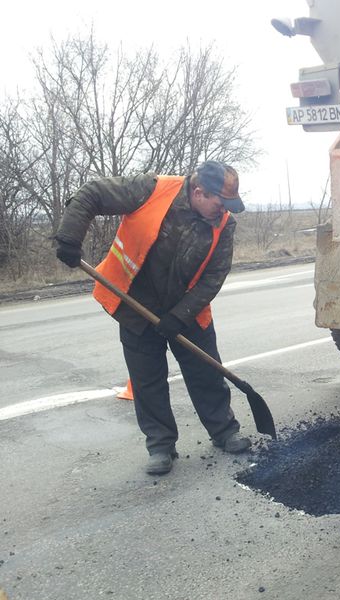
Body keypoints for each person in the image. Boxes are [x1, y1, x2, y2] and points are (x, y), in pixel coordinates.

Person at [55, 161, 252, 475]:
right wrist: (69, 237)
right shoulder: (152, 190)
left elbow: (214, 276)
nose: (224, 210)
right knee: (147, 380)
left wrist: (180, 315)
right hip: (135, 303)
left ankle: (224, 431)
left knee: (205, 372)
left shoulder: (223, 224)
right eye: (221, 203)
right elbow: (92, 193)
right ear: (199, 192)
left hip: (187, 309)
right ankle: (161, 446)